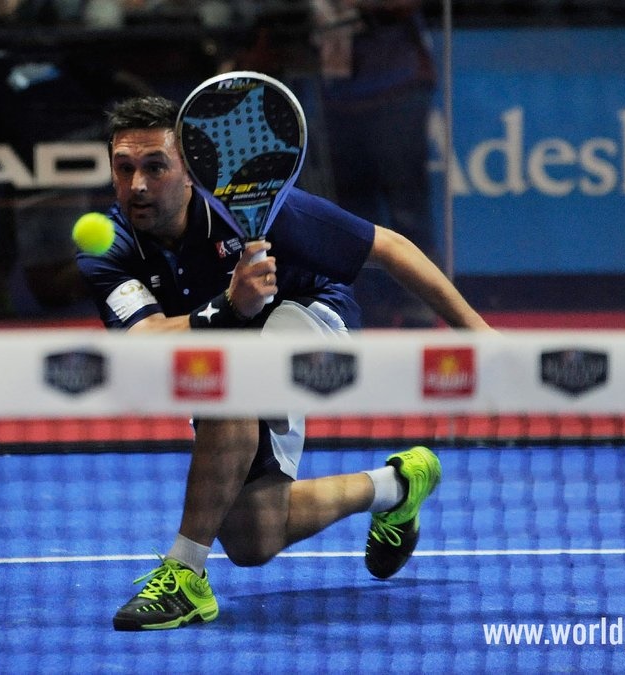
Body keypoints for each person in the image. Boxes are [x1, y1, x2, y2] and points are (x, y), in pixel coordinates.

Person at [76, 94, 491, 631]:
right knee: (253, 537)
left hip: (315, 319)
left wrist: (481, 338)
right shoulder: (106, 243)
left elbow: (387, 247)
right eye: (124, 168)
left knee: (230, 376)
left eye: (155, 167)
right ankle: (398, 485)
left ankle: (184, 575)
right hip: (229, 341)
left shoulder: (260, 208)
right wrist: (229, 306)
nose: (137, 185)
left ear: (188, 170)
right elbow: (147, 337)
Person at [311, 0, 441, 326]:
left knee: (407, 205)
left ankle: (421, 304)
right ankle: (367, 303)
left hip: (396, 88)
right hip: (337, 95)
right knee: (353, 214)